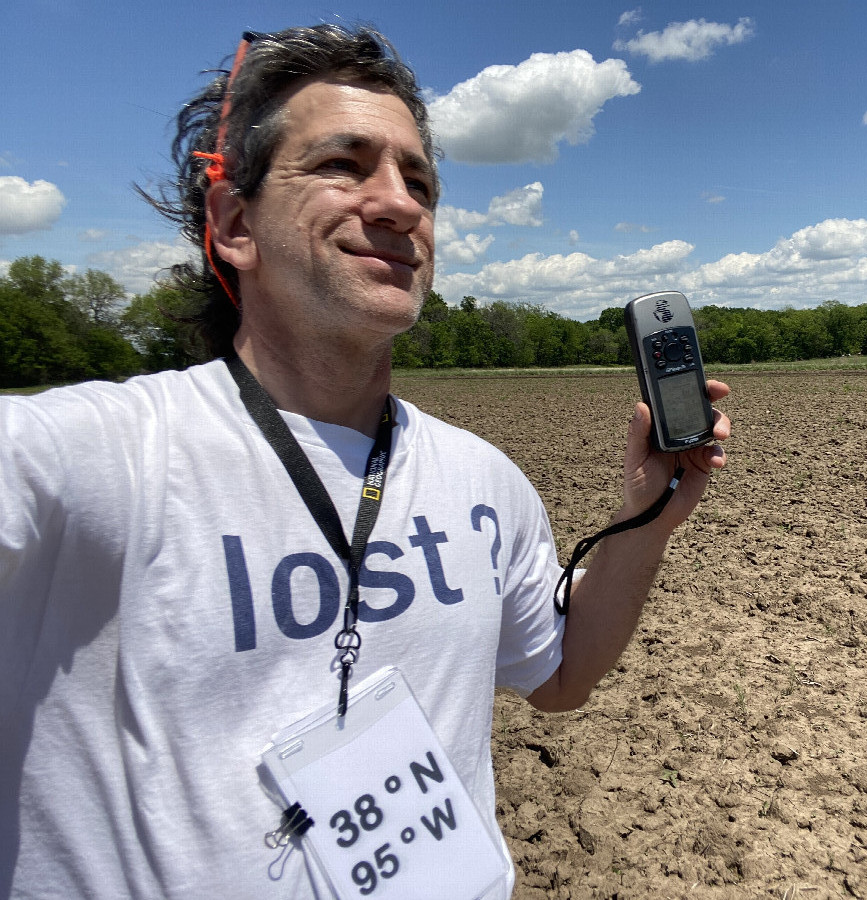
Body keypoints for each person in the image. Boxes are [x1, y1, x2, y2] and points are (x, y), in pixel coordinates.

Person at [0, 23, 730, 900]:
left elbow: (563, 674)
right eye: (343, 165)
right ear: (233, 223)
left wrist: (649, 513)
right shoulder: (89, 455)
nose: (399, 204)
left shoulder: (482, 480)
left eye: (417, 179)